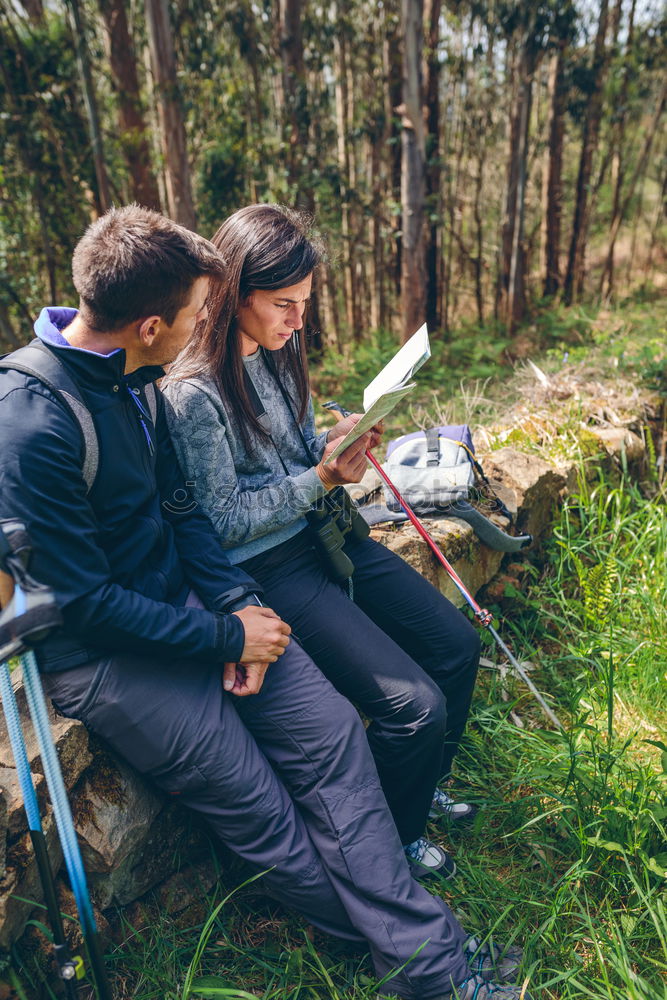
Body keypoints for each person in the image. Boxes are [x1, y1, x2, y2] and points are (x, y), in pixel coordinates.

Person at [0, 205, 530, 1000]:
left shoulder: (135, 376)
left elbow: (184, 516)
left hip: (195, 609)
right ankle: (431, 963)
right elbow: (83, 607)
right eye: (191, 315)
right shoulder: (33, 422)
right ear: (149, 324)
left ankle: (421, 951)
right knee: (266, 812)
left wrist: (241, 610)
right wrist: (222, 637)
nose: (200, 330)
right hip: (104, 659)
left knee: (333, 746)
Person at [163, 204, 481, 878]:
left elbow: (297, 450)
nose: (297, 319)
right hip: (270, 567)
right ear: (232, 292)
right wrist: (318, 477)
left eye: (304, 303)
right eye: (284, 303)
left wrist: (336, 444)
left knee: (456, 646)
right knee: (411, 707)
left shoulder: (280, 355)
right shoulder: (193, 395)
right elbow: (219, 523)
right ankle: (393, 845)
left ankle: (418, 787)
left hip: (325, 534)